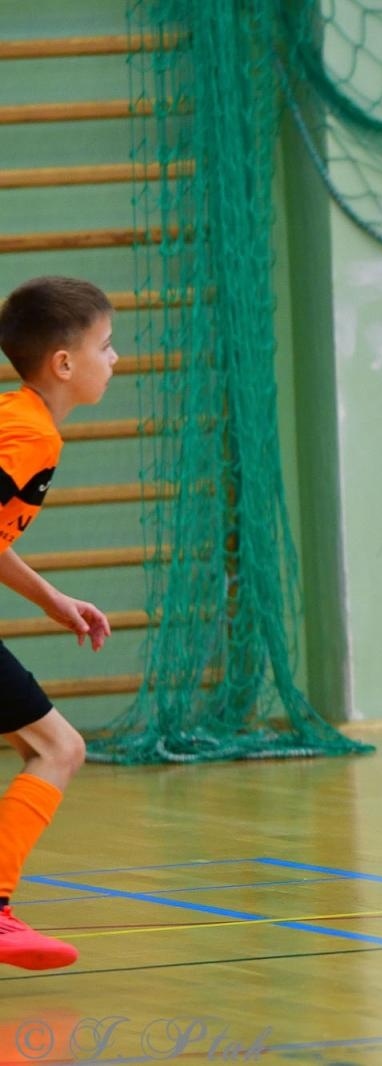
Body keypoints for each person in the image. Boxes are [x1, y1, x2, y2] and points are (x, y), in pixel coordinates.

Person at [0, 276, 117, 968]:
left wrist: (49, 599)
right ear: (64, 364)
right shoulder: (27, 434)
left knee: (35, 748)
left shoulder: (20, 421)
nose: (116, 359)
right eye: (106, 346)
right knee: (58, 749)